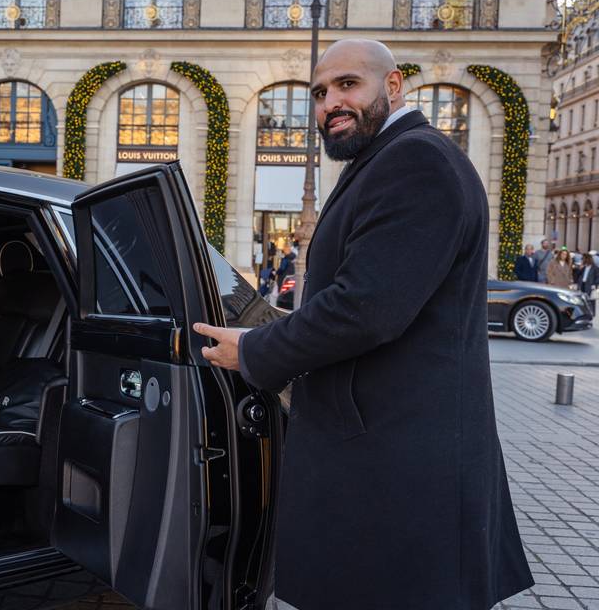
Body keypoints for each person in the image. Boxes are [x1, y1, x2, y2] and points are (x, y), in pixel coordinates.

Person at [192, 39, 532, 610]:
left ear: (393, 86)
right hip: (386, 453)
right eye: (320, 93)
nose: (330, 103)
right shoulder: (390, 159)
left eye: (348, 84)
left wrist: (254, 349)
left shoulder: (416, 161)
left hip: (400, 465)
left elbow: (365, 309)